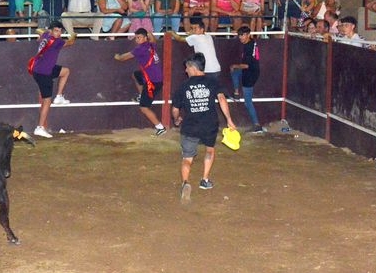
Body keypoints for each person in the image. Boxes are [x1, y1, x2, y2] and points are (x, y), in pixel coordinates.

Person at [172, 53, 236, 201]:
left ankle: (185, 183)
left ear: (193, 68)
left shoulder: (183, 86)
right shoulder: (213, 81)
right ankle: (205, 180)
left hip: (190, 126)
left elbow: (175, 109)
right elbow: (221, 98)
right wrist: (229, 119)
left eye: (187, 68)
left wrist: (176, 119)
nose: (186, 71)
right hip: (209, 124)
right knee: (209, 150)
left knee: (187, 158)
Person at [113, 28, 167, 137]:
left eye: (139, 37)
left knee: (144, 108)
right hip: (154, 78)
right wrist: (147, 32)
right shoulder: (151, 45)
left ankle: (160, 127)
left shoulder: (140, 49)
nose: (137, 39)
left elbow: (123, 58)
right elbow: (153, 39)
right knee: (136, 75)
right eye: (136, 37)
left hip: (152, 82)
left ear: (145, 38)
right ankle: (141, 95)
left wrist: (117, 56)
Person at [29, 21, 76, 138]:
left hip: (40, 69)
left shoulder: (46, 35)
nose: (59, 33)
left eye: (60, 31)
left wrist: (41, 33)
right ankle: (40, 127)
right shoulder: (57, 41)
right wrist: (74, 35)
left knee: (65, 71)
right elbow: (70, 43)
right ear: (51, 31)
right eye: (56, 30)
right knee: (47, 101)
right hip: (44, 73)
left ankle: (59, 96)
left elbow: (39, 31)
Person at [230, 26, 264, 133]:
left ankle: (257, 125)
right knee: (235, 72)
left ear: (248, 35)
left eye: (243, 35)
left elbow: (246, 66)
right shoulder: (251, 43)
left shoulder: (248, 47)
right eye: (240, 35)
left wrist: (235, 65)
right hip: (253, 71)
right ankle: (236, 93)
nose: (241, 37)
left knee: (247, 102)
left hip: (250, 73)